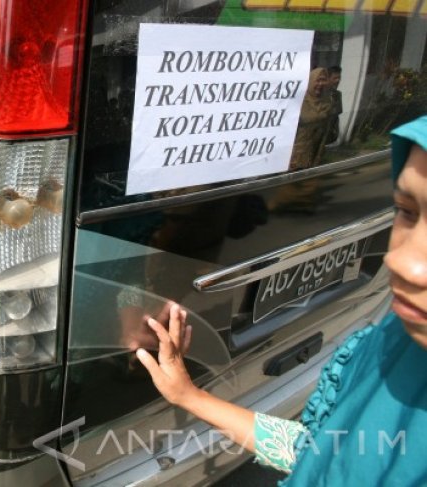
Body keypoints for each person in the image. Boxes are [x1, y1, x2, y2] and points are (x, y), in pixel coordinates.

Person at [136, 116, 427, 485]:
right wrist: (189, 396)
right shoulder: (391, 346)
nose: (400, 262)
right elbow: (312, 451)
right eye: (407, 211)